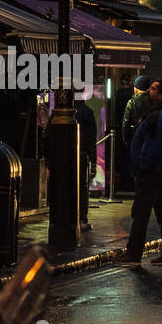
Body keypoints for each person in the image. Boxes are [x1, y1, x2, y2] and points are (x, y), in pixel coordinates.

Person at [125, 78, 162, 269]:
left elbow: (150, 147)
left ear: (161, 95)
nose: (149, 91)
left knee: (141, 213)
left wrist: (141, 170)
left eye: (154, 89)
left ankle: (133, 254)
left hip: (152, 171)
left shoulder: (157, 116)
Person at [75, 94, 98, 230]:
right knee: (81, 187)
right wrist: (93, 162)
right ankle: (81, 217)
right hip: (81, 154)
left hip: (65, 155)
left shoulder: (59, 112)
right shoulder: (87, 112)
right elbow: (90, 138)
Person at [122, 74, 152, 151]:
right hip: (150, 138)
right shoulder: (153, 101)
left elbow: (126, 123)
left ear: (136, 87)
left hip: (135, 137)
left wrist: (125, 140)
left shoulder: (132, 102)